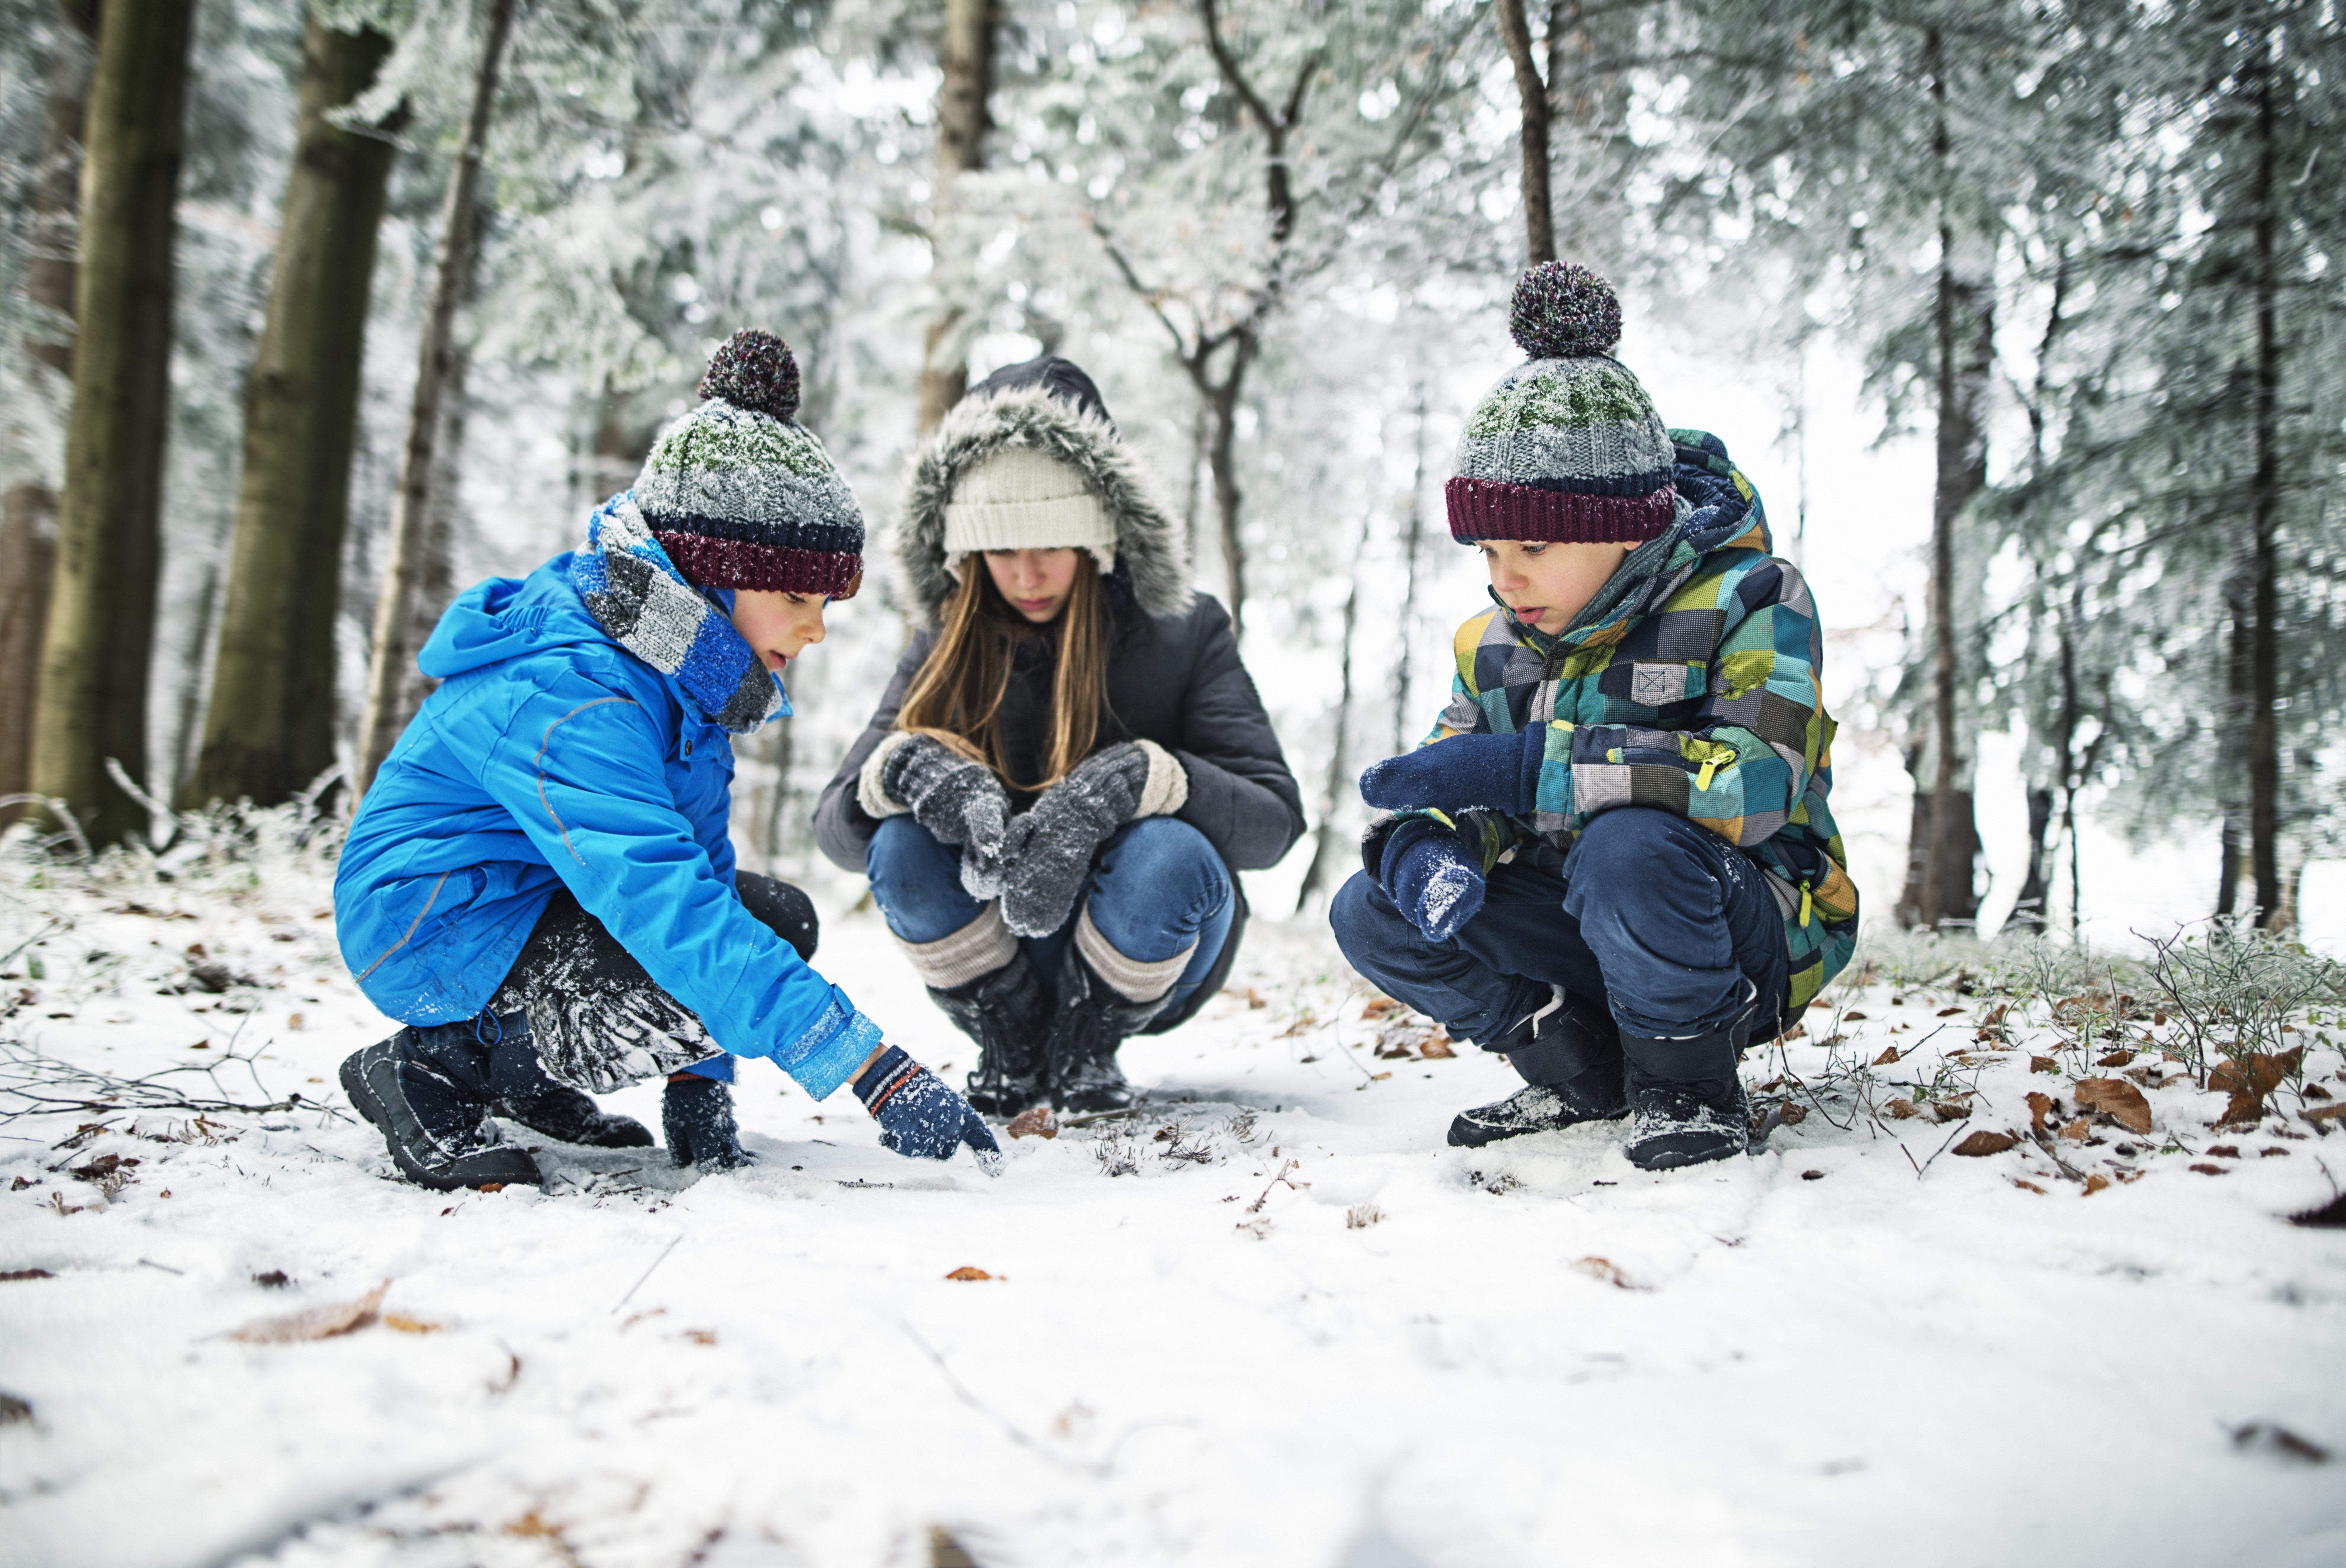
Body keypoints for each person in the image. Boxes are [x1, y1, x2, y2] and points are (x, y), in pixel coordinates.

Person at [334, 330, 1000, 1191]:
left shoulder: (684, 676)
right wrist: (872, 1070)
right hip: (431, 921)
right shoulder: (579, 691)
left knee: (772, 916)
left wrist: (701, 1090)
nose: (815, 628)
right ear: (709, 576)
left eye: (825, 602)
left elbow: (703, 882)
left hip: (531, 902)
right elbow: (662, 904)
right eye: (796, 597)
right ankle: (430, 1065)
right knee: (687, 945)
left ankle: (517, 1073)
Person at [1330, 264, 1859, 1172]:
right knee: (1371, 909)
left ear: (1625, 524)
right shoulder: (1492, 641)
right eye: (1489, 547)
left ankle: (1685, 1080)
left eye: (1532, 545)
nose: (1505, 574)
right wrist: (1429, 844)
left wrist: (1529, 767)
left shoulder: (1749, 598)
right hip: (1582, 915)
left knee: (1630, 849)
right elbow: (1456, 771)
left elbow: (1758, 779)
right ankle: (1578, 1065)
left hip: (1742, 924)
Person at [814, 357, 1302, 1115]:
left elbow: (1273, 826)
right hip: (994, 945)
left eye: (1052, 542)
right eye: (1001, 548)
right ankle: (1008, 1040)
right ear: (967, 551)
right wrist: (903, 773)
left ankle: (1088, 1042)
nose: (1028, 571)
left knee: (1169, 853)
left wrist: (1147, 778)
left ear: (1099, 534)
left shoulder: (1184, 630)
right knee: (899, 843)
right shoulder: (945, 638)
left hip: (1143, 938)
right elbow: (839, 833)